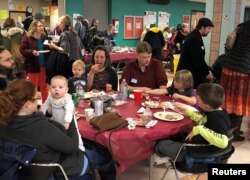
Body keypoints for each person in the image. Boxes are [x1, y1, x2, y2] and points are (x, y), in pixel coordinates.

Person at [0, 79, 116, 180]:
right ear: (28, 104)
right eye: (37, 98)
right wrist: (70, 119)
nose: (39, 101)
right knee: (105, 154)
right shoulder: (40, 127)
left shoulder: (4, 123)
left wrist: (48, 114)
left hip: (27, 169)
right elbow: (72, 147)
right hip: (64, 168)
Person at [155, 83, 231, 167]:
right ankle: (170, 154)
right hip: (196, 148)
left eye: (198, 100)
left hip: (195, 153)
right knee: (174, 137)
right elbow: (203, 121)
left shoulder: (217, 119)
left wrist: (200, 130)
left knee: (160, 145)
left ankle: (172, 157)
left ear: (207, 106)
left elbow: (223, 142)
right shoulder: (217, 112)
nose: (197, 102)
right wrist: (188, 111)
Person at [220, 20, 250, 141]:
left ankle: (226, 129)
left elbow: (229, 44)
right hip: (243, 68)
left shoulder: (241, 26)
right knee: (239, 101)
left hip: (228, 65)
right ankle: (234, 133)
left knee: (228, 100)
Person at [41, 75, 84, 151]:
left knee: (75, 134)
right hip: (56, 120)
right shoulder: (50, 97)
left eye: (60, 87)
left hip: (68, 121)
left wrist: (67, 121)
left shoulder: (67, 99)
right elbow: (45, 105)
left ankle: (80, 148)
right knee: (60, 135)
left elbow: (69, 110)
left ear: (66, 90)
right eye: (54, 87)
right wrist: (41, 114)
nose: (56, 89)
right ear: (50, 88)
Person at [176, 17, 214, 88]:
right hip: (186, 76)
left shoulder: (195, 36)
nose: (209, 31)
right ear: (202, 27)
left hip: (189, 73)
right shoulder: (195, 38)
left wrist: (208, 69)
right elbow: (198, 60)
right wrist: (206, 73)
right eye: (208, 28)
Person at [19, 20, 50, 103]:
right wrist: (31, 52)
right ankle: (33, 106)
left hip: (43, 65)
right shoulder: (27, 36)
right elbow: (22, 49)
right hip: (33, 66)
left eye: (42, 26)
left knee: (44, 86)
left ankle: (45, 105)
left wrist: (52, 47)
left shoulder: (44, 36)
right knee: (33, 87)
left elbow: (48, 47)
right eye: (39, 26)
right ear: (34, 27)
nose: (42, 28)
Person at [48, 15, 84, 81]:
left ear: (62, 23)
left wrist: (54, 46)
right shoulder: (75, 33)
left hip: (68, 63)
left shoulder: (64, 34)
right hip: (76, 62)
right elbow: (82, 48)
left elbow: (64, 50)